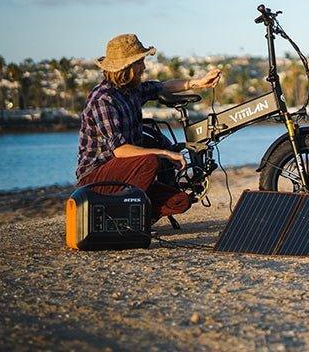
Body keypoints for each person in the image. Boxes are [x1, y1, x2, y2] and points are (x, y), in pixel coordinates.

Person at [76, 33, 222, 219]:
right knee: (151, 160)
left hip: (124, 173)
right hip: (96, 178)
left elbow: (164, 87)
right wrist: (164, 153)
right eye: (140, 63)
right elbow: (120, 151)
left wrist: (198, 83)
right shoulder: (103, 99)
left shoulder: (132, 90)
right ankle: (119, 216)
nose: (144, 67)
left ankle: (131, 213)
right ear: (126, 67)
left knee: (180, 201)